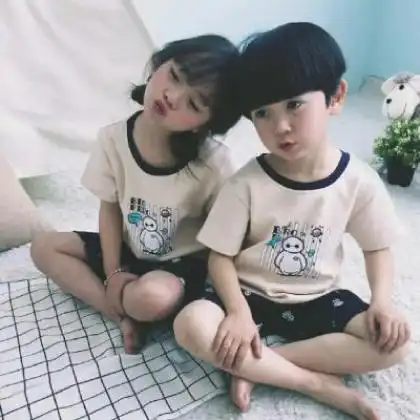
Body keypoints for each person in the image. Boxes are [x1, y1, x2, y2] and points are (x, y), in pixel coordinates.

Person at [173, 22, 411, 420]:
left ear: (336, 97)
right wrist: (237, 312)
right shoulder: (246, 183)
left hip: (316, 298)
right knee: (190, 324)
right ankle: (314, 384)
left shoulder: (358, 181)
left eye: (294, 105)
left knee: (396, 344)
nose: (279, 126)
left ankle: (262, 364)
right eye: (263, 113)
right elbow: (219, 256)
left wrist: (383, 302)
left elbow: (377, 247)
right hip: (247, 294)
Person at [30, 34, 241, 354]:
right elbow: (110, 209)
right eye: (174, 75)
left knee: (150, 299)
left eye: (194, 103)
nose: (172, 96)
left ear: (204, 124)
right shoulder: (113, 139)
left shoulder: (215, 164)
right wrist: (114, 272)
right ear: (160, 63)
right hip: (129, 250)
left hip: (178, 266)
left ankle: (135, 308)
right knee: (43, 247)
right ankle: (119, 314)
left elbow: (229, 236)